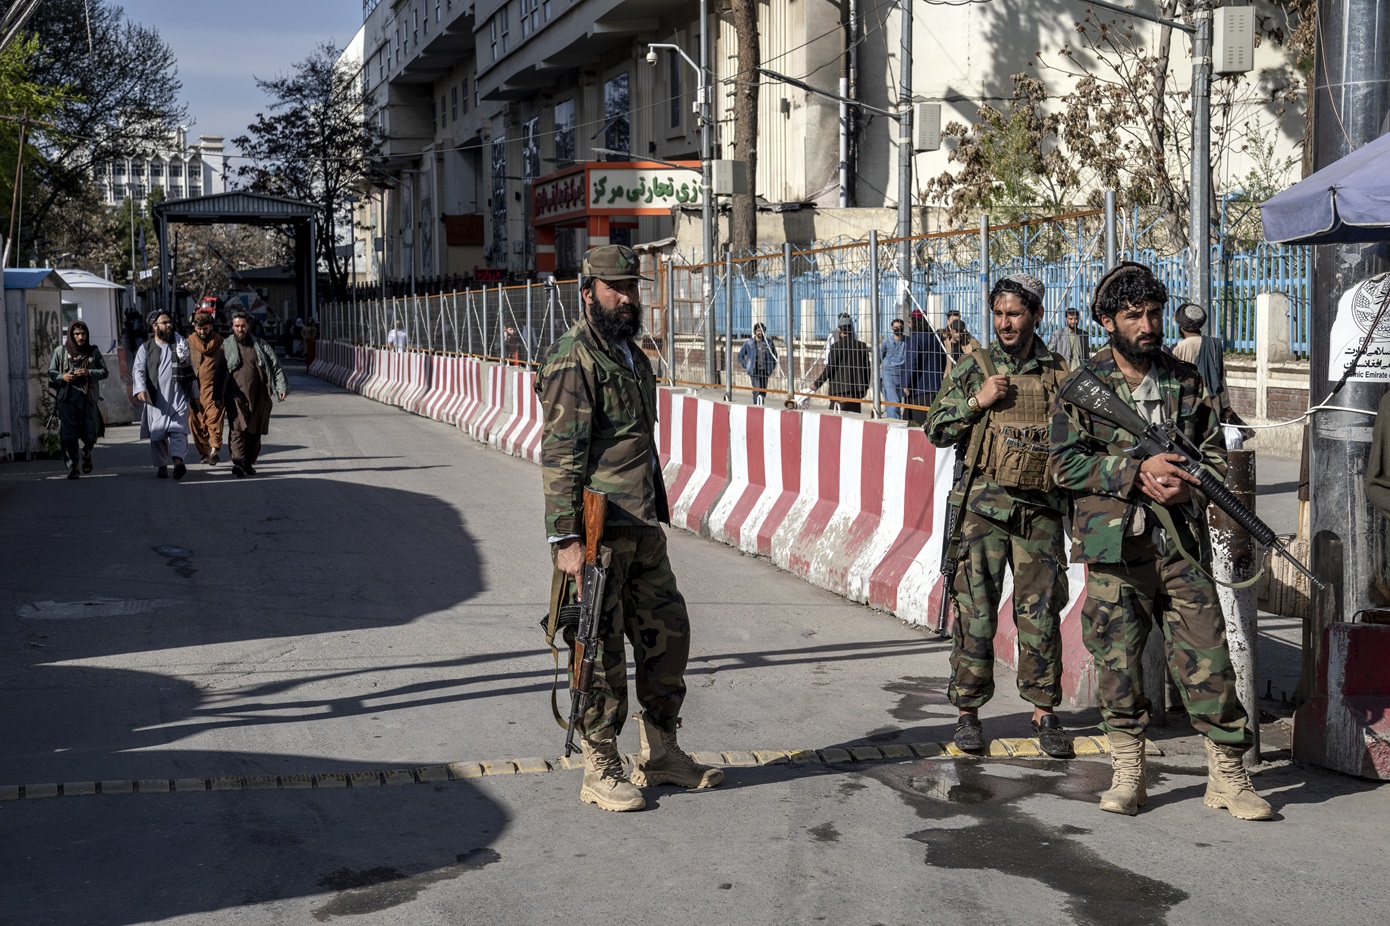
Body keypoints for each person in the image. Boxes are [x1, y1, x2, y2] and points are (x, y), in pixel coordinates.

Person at [1049, 261, 1272, 820]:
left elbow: (1216, 453)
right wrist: (1132, 472)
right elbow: (1060, 466)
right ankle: (1129, 773)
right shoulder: (1083, 387)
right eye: (1133, 316)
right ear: (1106, 321)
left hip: (1179, 548)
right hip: (1114, 549)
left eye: (1153, 314)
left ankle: (1228, 777)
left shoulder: (1184, 379)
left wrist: (1192, 489)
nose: (1147, 325)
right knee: (1117, 665)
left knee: (1209, 659)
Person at [536, 243, 722, 813]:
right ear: (587, 290)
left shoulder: (631, 354)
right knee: (598, 649)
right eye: (614, 288)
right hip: (595, 533)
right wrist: (566, 539)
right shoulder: (575, 359)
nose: (626, 296)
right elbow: (561, 455)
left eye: (632, 287)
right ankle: (600, 763)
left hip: (641, 524)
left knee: (669, 635)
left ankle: (662, 750)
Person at [925, 273, 1073, 758]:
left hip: (1040, 513)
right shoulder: (975, 366)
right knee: (975, 613)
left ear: (1036, 315)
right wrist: (977, 401)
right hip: (983, 512)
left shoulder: (1059, 372)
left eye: (1015, 313)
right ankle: (968, 714)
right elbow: (935, 429)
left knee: (1041, 613)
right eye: (999, 314)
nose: (1005, 323)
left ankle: (1044, 710)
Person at [222, 311, 289, 478]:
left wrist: (281, 387)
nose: (240, 329)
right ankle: (238, 461)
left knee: (254, 431)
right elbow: (219, 373)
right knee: (237, 428)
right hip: (235, 396)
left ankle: (248, 462)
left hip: (258, 395)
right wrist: (217, 395)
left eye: (243, 326)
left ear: (248, 326)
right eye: (237, 326)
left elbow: (275, 366)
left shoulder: (260, 345)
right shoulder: (226, 346)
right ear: (232, 327)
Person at [131, 311, 193, 480]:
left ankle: (178, 462)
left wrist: (195, 395)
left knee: (179, 431)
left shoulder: (180, 346)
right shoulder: (146, 348)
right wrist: (140, 389)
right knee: (157, 434)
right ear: (154, 326)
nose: (169, 325)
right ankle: (162, 465)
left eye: (169, 322)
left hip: (178, 397)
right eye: (164, 322)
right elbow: (138, 370)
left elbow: (190, 371)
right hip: (156, 399)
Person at [47, 320, 108, 479]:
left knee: (90, 434)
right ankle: (74, 466)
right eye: (76, 334)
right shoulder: (60, 352)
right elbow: (51, 371)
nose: (80, 337)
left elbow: (104, 372)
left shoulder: (93, 352)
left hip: (87, 400)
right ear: (71, 335)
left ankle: (86, 452)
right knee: (68, 436)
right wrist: (63, 377)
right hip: (67, 400)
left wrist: (89, 373)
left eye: (83, 333)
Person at [1169, 301, 1232, 421]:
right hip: (1213, 405)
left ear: (1181, 327)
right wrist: (1226, 404)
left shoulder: (1177, 348)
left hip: (1186, 406)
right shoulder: (1214, 344)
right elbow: (1220, 377)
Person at [187, 309, 227, 466]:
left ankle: (214, 450)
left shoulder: (221, 343)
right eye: (199, 329)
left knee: (215, 418)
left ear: (211, 327)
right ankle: (204, 453)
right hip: (195, 391)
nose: (202, 332)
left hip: (213, 390)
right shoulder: (189, 342)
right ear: (195, 328)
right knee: (195, 422)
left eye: (205, 328)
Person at [811, 316, 871, 413]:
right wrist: (864, 388)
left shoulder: (836, 347)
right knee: (854, 419)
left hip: (839, 391)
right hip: (856, 392)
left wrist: (817, 384)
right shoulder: (861, 346)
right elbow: (867, 369)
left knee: (836, 421)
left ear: (840, 331)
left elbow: (830, 368)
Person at [903, 308, 946, 423]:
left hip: (920, 389)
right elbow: (943, 359)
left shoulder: (915, 338)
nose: (909, 324)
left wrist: (906, 384)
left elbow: (912, 363)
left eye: (910, 322)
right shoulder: (936, 337)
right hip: (936, 387)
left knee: (920, 423)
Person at [738, 322, 780, 406]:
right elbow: (740, 356)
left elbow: (774, 356)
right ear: (755, 332)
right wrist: (746, 365)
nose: (760, 332)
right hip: (754, 371)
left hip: (765, 371)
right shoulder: (749, 343)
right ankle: (756, 407)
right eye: (758, 330)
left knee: (763, 392)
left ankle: (761, 407)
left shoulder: (769, 343)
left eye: (762, 330)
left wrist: (771, 367)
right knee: (757, 391)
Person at [880, 317, 908, 419]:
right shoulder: (887, 342)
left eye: (900, 327)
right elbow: (880, 357)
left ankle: (891, 420)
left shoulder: (907, 341)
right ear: (892, 329)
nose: (898, 329)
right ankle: (895, 422)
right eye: (896, 327)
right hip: (888, 374)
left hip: (902, 374)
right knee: (893, 401)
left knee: (897, 401)